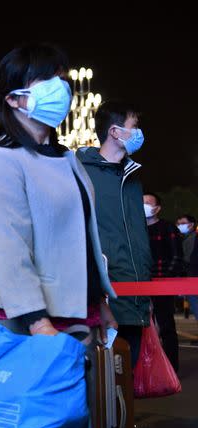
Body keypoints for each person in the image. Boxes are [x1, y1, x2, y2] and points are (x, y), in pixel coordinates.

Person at [0, 41, 119, 428]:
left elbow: (83, 234)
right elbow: (8, 250)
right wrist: (39, 324)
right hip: (34, 321)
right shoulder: (0, 161)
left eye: (61, 77)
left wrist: (101, 299)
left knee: (74, 425)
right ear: (15, 97)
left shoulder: (67, 157)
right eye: (48, 78)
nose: (61, 87)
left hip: (78, 312)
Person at [77, 102, 152, 371]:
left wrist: (146, 290)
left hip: (134, 294)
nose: (139, 133)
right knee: (95, 387)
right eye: (134, 127)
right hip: (101, 298)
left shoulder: (132, 177)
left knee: (123, 388)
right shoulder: (82, 173)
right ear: (115, 132)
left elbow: (138, 236)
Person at [143, 192, 183, 373]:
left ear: (157, 208)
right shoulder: (136, 229)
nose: (143, 205)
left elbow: (176, 256)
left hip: (162, 283)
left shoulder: (168, 228)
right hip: (140, 284)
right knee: (143, 327)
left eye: (148, 203)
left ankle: (171, 369)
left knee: (166, 326)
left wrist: (167, 279)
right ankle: (147, 368)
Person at [178, 214, 197, 318]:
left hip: (193, 277)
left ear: (191, 225)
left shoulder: (192, 239)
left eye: (183, 223)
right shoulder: (186, 238)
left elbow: (188, 258)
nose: (180, 226)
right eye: (179, 224)